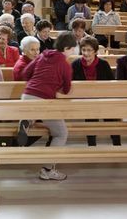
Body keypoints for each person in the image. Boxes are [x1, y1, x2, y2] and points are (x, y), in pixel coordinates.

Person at [16, 32, 78, 181]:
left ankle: (27, 120)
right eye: (73, 49)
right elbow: (67, 89)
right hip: (44, 100)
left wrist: (39, 81)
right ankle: (47, 169)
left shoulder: (43, 56)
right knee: (61, 133)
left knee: (42, 119)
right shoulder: (65, 64)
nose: (74, 52)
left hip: (27, 95)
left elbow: (26, 73)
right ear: (68, 48)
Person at [71, 36, 121, 146]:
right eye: (83, 50)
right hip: (84, 100)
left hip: (103, 98)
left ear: (95, 51)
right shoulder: (75, 64)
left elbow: (111, 83)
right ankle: (92, 146)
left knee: (111, 120)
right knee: (90, 120)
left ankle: (117, 145)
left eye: (89, 50)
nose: (86, 53)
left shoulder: (103, 64)